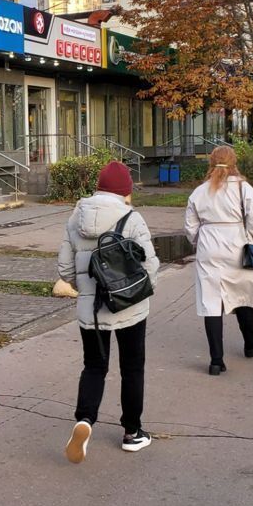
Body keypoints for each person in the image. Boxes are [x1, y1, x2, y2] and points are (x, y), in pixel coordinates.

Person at [58, 161, 160, 463]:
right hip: (129, 306)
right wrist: (137, 292)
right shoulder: (132, 218)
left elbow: (65, 268)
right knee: (132, 368)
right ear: (126, 191)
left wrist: (86, 288)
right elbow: (150, 265)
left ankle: (84, 421)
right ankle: (132, 433)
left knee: (93, 367)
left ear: (99, 187)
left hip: (91, 310)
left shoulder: (76, 216)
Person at [184, 146, 253, 375]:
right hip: (237, 244)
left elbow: (190, 227)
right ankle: (250, 341)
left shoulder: (200, 192)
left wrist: (199, 241)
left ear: (211, 163)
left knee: (211, 302)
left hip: (209, 246)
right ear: (234, 163)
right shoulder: (244, 189)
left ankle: (216, 360)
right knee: (242, 294)